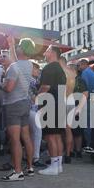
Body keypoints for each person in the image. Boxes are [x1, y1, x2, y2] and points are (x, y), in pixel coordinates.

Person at [0, 38, 35, 182]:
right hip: (25, 103)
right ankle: (30, 167)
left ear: (22, 49)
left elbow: (8, 88)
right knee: (26, 137)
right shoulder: (29, 65)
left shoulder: (13, 67)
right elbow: (16, 61)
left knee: (15, 140)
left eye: (19, 46)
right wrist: (11, 45)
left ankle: (17, 171)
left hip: (13, 104)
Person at [37, 45, 66, 176]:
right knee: (57, 136)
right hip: (59, 104)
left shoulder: (49, 68)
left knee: (50, 136)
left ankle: (54, 166)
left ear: (53, 53)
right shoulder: (60, 68)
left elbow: (45, 87)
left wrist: (35, 98)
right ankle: (58, 165)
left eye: (47, 51)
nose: (45, 52)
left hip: (50, 104)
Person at [78, 58, 94, 148]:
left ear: (83, 64)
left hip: (88, 99)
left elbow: (84, 88)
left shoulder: (84, 73)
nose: (79, 67)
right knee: (93, 123)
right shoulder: (93, 73)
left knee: (87, 125)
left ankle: (89, 145)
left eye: (79, 65)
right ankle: (93, 144)